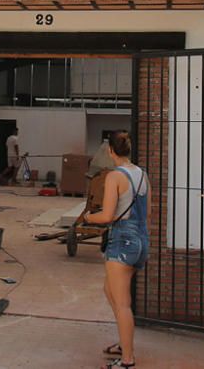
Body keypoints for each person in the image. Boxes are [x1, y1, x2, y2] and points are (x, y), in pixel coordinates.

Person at [84, 130, 149, 369]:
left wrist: (90, 218)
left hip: (122, 240)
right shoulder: (142, 175)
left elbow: (107, 215)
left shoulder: (114, 177)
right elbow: (148, 213)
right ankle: (125, 340)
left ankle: (127, 361)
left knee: (122, 303)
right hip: (141, 239)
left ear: (111, 151)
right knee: (109, 290)